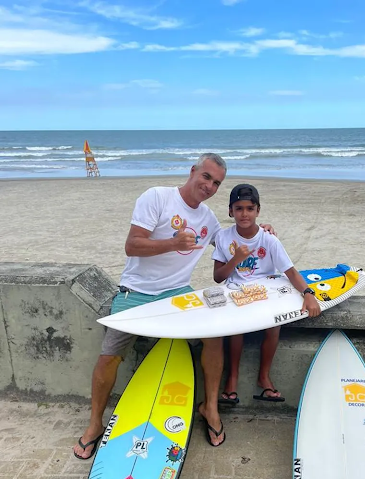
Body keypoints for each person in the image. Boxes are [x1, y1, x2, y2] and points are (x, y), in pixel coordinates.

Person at [74, 155, 276, 457]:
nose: (209, 186)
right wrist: (172, 243)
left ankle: (210, 408)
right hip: (136, 292)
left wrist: (260, 231)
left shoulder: (208, 219)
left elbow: (230, 240)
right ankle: (94, 424)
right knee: (109, 356)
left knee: (214, 335)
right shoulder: (157, 197)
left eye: (216, 183)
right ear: (192, 171)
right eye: (206, 177)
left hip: (178, 293)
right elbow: (132, 245)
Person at [212, 183, 321, 405]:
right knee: (236, 326)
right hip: (236, 291)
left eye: (250, 209)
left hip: (266, 291)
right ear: (230, 211)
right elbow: (218, 277)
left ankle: (264, 376)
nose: (244, 214)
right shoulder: (224, 237)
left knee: (274, 324)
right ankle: (232, 379)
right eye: (239, 208)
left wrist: (308, 293)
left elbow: (289, 271)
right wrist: (235, 260)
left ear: (258, 211)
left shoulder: (268, 239)